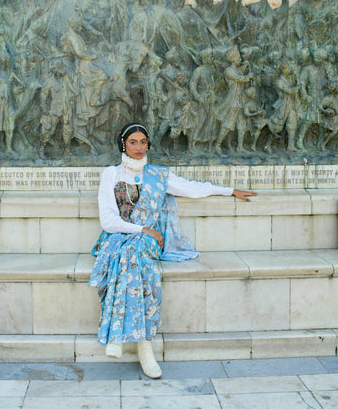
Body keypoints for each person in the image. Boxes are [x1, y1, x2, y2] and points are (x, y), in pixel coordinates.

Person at [89, 122, 256, 378]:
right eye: (133, 142)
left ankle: (117, 336)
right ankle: (145, 349)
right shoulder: (110, 174)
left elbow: (194, 188)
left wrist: (228, 190)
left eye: (143, 142)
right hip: (119, 237)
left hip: (148, 242)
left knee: (132, 254)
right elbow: (108, 221)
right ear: (123, 144)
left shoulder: (158, 175)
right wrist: (142, 230)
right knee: (130, 256)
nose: (138, 147)